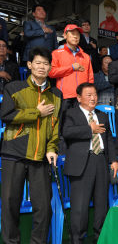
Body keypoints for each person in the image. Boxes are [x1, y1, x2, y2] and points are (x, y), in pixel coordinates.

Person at [1, 47, 61, 243]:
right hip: (14, 154)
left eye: (45, 63)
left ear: (50, 67)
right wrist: (36, 112)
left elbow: (55, 126)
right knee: (10, 205)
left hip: (41, 157)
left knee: (44, 208)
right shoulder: (14, 88)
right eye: (38, 63)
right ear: (29, 65)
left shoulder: (56, 94)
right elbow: (6, 116)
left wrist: (52, 148)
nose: (42, 67)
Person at [63, 83, 118, 243]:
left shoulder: (102, 115)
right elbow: (66, 132)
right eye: (88, 95)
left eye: (94, 94)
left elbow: (108, 139)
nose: (93, 97)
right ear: (79, 97)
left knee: (102, 204)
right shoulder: (71, 114)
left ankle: (101, 238)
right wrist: (89, 129)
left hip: (100, 159)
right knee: (80, 207)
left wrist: (113, 160)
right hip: (81, 163)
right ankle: (77, 240)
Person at [49, 24, 94, 125]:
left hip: (81, 97)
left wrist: (90, 95)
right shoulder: (57, 53)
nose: (75, 36)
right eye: (72, 34)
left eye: (77, 34)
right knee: (62, 124)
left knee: (80, 124)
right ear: (65, 36)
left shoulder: (86, 56)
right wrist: (71, 68)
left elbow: (90, 77)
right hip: (65, 96)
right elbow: (51, 73)